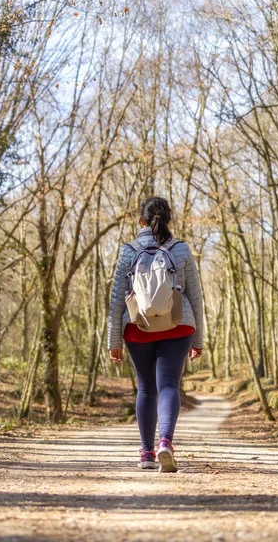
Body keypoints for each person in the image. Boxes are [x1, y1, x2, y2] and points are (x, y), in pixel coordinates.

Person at [107, 196, 203, 473]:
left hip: (138, 326)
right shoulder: (181, 250)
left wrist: (114, 341)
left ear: (141, 222)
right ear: (169, 221)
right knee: (169, 384)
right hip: (178, 324)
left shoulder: (129, 251)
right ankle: (165, 442)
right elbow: (195, 297)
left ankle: (147, 453)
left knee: (146, 387)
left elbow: (116, 300)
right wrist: (198, 339)